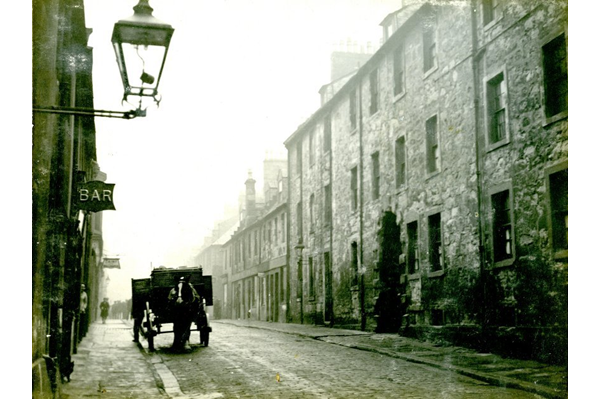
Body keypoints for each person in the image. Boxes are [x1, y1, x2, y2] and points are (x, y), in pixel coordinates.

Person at [168, 276, 200, 351]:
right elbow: (169, 298)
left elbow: (196, 298)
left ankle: (185, 341)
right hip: (177, 309)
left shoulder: (190, 289)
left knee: (187, 325)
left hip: (187, 307)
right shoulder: (173, 290)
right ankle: (176, 342)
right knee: (176, 325)